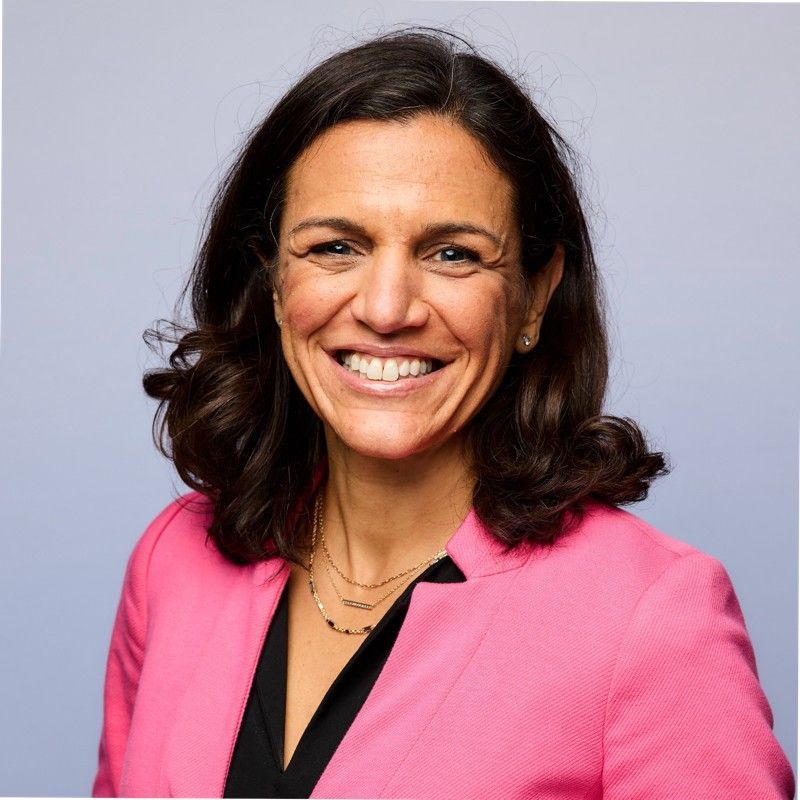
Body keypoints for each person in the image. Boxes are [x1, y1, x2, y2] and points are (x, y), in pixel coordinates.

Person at [91, 27, 795, 799]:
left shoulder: (651, 622)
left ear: (533, 294)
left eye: (452, 253)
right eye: (335, 247)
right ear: (271, 282)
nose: (387, 309)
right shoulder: (173, 562)